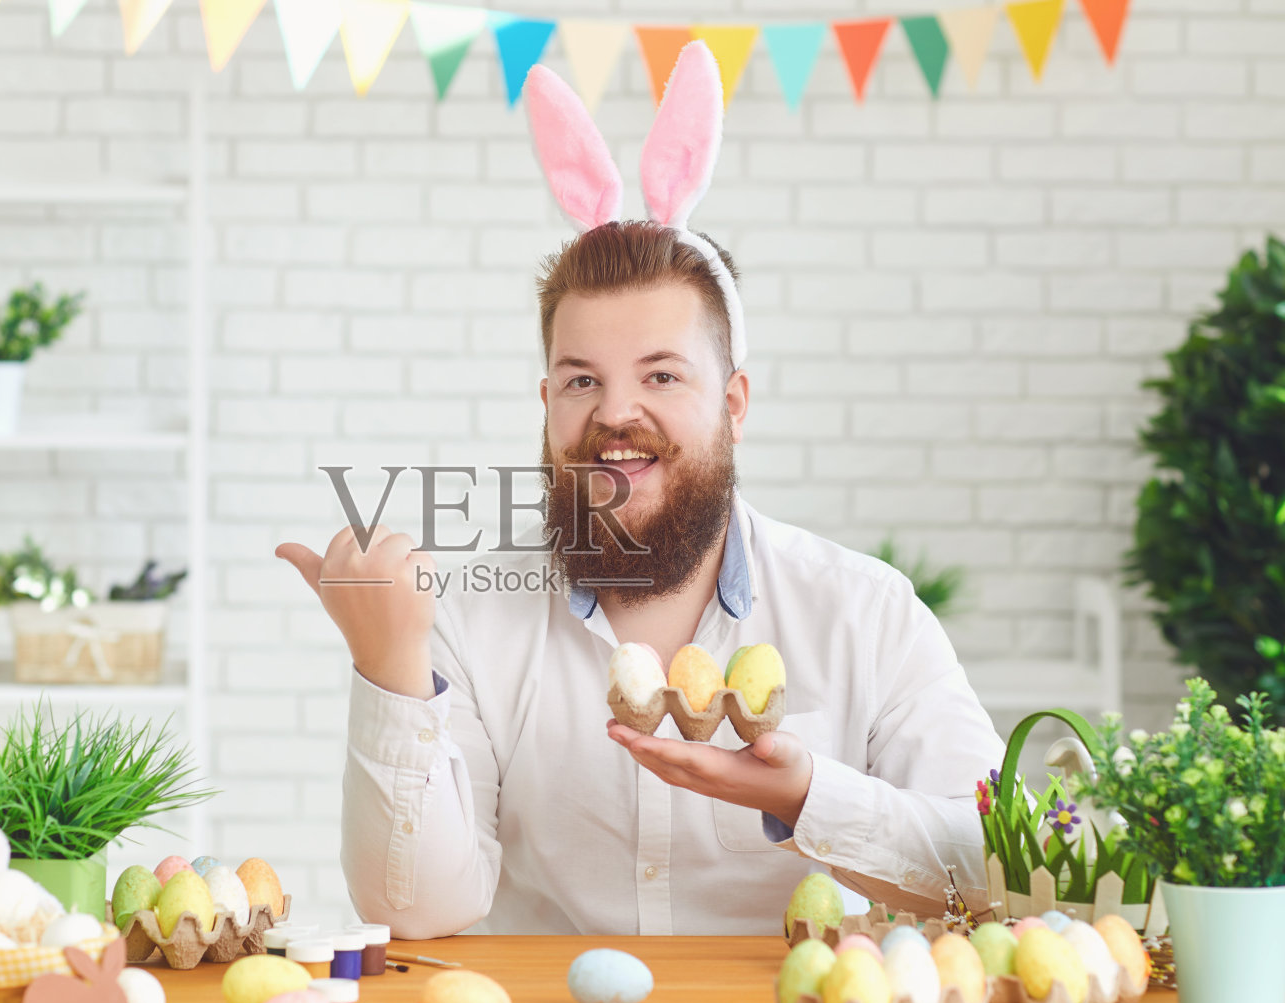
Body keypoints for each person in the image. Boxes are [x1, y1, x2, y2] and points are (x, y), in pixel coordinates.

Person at [275, 45, 1004, 938]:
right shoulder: (469, 620)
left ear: (733, 404)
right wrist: (388, 667)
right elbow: (417, 910)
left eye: (661, 377)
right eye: (581, 381)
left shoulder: (866, 614)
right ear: (547, 406)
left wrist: (808, 794)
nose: (615, 413)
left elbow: (998, 864)